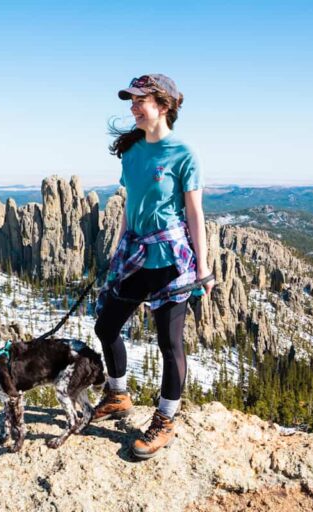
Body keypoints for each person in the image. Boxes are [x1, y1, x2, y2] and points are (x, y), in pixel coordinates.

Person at [93, 74, 214, 459]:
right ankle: (118, 393)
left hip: (170, 259)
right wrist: (118, 251)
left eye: (138, 100)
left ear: (163, 106)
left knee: (169, 341)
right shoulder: (131, 153)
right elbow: (131, 207)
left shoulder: (184, 154)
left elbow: (195, 213)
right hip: (135, 253)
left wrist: (204, 268)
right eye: (130, 99)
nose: (131, 106)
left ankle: (165, 419)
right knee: (106, 325)